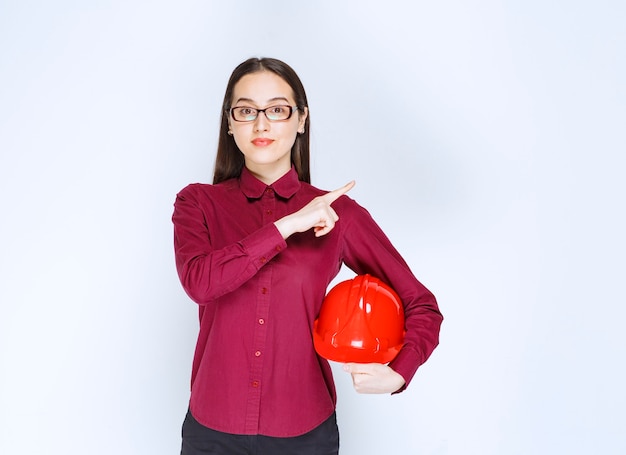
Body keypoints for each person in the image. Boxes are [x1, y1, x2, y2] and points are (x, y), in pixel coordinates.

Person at [172, 57, 443, 455]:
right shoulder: (198, 202)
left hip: (304, 433)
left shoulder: (339, 214)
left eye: (277, 110)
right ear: (230, 123)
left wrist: (400, 372)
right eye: (246, 110)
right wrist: (286, 225)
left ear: (301, 120)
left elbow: (422, 304)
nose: (261, 124)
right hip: (212, 430)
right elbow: (200, 282)